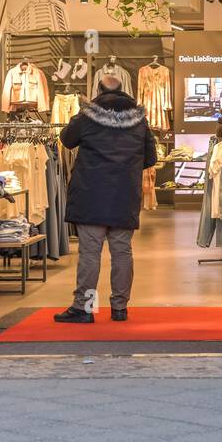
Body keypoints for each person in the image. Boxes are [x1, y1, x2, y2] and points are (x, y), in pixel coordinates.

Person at [54, 74, 157, 324]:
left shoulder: (88, 116)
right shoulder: (139, 119)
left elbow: (67, 140)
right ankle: (119, 308)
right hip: (124, 195)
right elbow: (150, 158)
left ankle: (85, 308)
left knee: (90, 253)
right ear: (123, 90)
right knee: (122, 253)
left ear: (97, 90)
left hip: (91, 193)